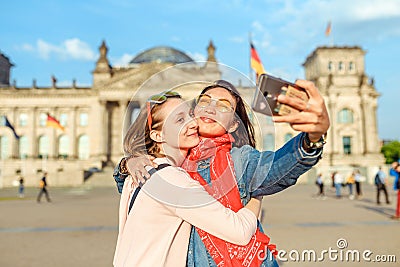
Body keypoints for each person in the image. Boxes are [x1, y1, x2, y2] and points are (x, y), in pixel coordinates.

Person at [114, 79, 330, 266]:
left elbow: (277, 167)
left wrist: (312, 139)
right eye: (204, 102)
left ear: (235, 125)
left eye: (224, 106)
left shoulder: (241, 159)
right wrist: (129, 162)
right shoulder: (170, 162)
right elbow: (134, 192)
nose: (210, 108)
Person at [113, 91, 263, 267]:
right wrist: (258, 191)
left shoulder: (138, 172)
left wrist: (128, 162)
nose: (193, 123)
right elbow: (240, 232)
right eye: (179, 120)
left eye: (190, 115)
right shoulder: (174, 181)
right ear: (157, 135)